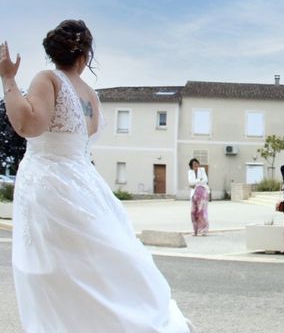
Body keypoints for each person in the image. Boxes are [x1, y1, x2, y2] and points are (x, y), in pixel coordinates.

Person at [0, 21, 193, 332]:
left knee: (53, 269)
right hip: (85, 181)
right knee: (93, 263)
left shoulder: (48, 78)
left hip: (49, 180)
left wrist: (8, 78)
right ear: (85, 55)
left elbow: (27, 124)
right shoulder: (91, 95)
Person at [187, 158, 209, 236]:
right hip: (194, 195)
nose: (196, 165)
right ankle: (195, 231)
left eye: (197, 163)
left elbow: (205, 180)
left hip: (203, 194)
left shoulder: (202, 170)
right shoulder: (190, 172)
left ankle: (204, 230)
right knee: (193, 212)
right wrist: (199, 180)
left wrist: (195, 182)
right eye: (194, 164)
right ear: (191, 166)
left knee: (202, 212)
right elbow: (190, 182)